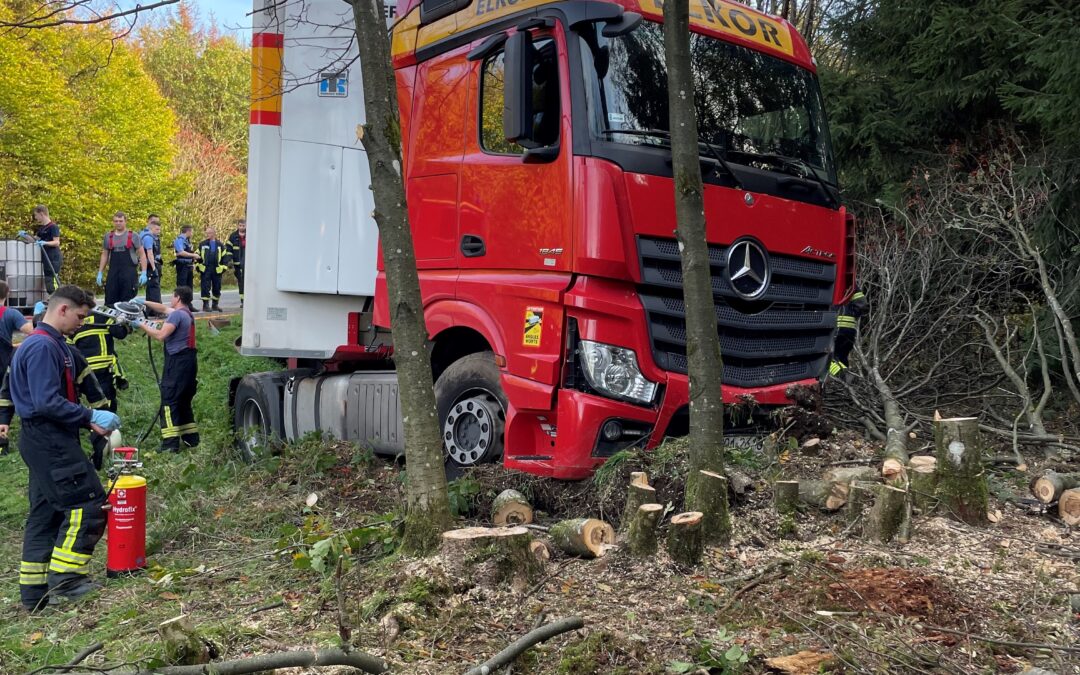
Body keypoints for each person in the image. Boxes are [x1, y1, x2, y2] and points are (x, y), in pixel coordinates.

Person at [2, 285, 121, 612]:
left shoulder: (49, 345)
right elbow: (45, 401)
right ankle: (68, 582)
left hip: (42, 439)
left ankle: (34, 594)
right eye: (80, 316)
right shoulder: (43, 347)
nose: (82, 323)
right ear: (63, 310)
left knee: (46, 512)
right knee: (89, 502)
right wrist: (88, 415)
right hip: (50, 438)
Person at [131, 288, 198, 452]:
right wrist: (144, 302)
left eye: (173, 296)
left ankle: (170, 445)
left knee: (169, 401)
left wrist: (140, 323)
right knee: (183, 401)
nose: (171, 300)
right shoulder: (186, 313)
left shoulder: (176, 315)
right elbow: (162, 309)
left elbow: (161, 336)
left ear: (178, 297)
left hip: (177, 362)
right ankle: (191, 439)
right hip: (190, 362)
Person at [69, 304, 133, 465]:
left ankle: (97, 444)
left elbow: (68, 346)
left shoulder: (75, 319)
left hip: (83, 371)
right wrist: (124, 322)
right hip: (104, 370)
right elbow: (120, 333)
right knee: (107, 408)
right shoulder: (104, 315)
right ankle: (103, 449)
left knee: (91, 409)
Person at [0, 280, 34, 455]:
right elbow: (33, 332)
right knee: (3, 397)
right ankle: (2, 442)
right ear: (8, 294)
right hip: (3, 361)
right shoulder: (10, 314)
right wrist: (18, 346)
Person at [97, 212, 148, 307]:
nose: (118, 223)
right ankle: (111, 321)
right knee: (110, 300)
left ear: (125, 222)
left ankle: (127, 320)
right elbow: (104, 255)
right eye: (116, 221)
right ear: (113, 222)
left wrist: (144, 272)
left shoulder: (133, 236)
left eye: (121, 221)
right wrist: (100, 272)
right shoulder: (108, 237)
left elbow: (142, 255)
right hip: (113, 273)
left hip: (129, 274)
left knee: (128, 302)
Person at [829, 288, 868, 380]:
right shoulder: (850, 283)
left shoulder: (825, 280)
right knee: (841, 357)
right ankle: (846, 383)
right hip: (849, 329)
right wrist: (852, 314)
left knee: (826, 358)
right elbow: (862, 304)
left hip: (832, 327)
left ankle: (843, 378)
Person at [23, 206, 63, 294]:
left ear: (42, 214)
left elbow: (56, 242)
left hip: (53, 258)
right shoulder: (42, 228)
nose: (36, 217)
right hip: (45, 258)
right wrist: (25, 235)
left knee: (51, 282)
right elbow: (35, 240)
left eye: (36, 215)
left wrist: (45, 243)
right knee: (48, 282)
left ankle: (58, 299)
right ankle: (55, 299)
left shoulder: (53, 227)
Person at [196, 227, 226, 312]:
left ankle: (215, 305)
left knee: (217, 287)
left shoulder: (220, 245)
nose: (207, 234)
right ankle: (205, 305)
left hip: (217, 269)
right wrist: (198, 265)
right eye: (206, 233)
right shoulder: (202, 244)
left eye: (209, 233)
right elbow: (196, 255)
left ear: (213, 234)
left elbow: (225, 257)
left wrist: (224, 267)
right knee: (205, 287)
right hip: (206, 269)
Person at [140, 215, 164, 309]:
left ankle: (150, 310)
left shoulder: (147, 235)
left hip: (151, 264)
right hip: (151, 265)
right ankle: (157, 310)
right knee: (154, 288)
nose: (159, 231)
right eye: (157, 229)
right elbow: (149, 253)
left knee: (151, 288)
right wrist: (154, 268)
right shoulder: (148, 237)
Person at [226, 219, 246, 307]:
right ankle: (243, 301)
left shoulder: (251, 234)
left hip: (248, 264)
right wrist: (229, 261)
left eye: (243, 225)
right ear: (238, 226)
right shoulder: (233, 236)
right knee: (241, 282)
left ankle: (249, 300)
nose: (242, 227)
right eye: (240, 225)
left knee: (249, 282)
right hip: (237, 264)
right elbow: (229, 249)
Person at [172, 225, 199, 291]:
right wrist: (193, 255)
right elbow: (181, 252)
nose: (192, 234)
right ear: (188, 231)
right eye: (191, 232)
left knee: (189, 286)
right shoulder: (179, 240)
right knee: (182, 286)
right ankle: (181, 300)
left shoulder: (187, 241)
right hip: (182, 265)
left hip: (189, 265)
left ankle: (188, 300)